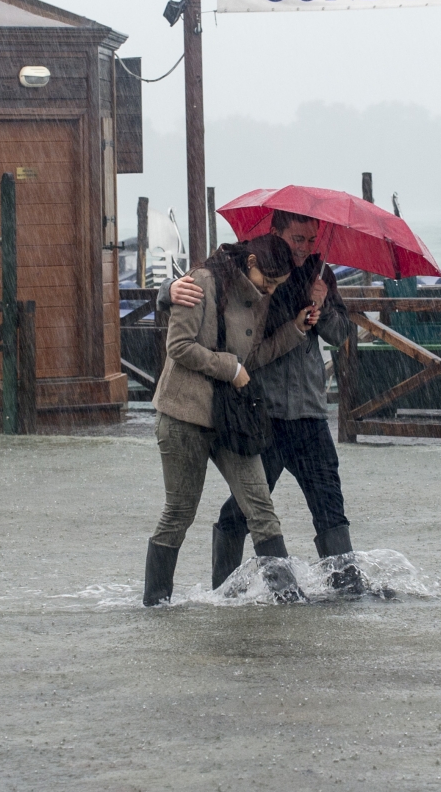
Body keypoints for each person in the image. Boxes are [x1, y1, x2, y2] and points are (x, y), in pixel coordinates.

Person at [166, 211, 355, 588]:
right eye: (297, 239)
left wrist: (325, 304)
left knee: (330, 506)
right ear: (276, 233)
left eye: (309, 240)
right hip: (262, 412)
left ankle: (348, 589)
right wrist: (165, 291)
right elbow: (206, 283)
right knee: (246, 508)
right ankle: (225, 588)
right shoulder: (253, 268)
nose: (304, 248)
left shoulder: (322, 275)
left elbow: (341, 333)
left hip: (309, 412)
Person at [144, 233, 316, 606]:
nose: (270, 290)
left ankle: (289, 598)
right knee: (179, 513)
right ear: (250, 263)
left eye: (277, 285)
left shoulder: (258, 300)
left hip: (231, 419)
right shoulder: (200, 283)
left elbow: (252, 358)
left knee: (261, 509)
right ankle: (155, 604)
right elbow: (179, 347)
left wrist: (295, 331)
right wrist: (228, 367)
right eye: (267, 282)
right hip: (184, 414)